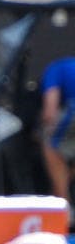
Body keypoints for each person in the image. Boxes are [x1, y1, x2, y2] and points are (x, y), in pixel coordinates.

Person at [40, 56, 75, 212]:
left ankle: (63, 207)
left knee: (50, 148)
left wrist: (47, 128)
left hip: (71, 114)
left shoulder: (56, 68)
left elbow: (50, 109)